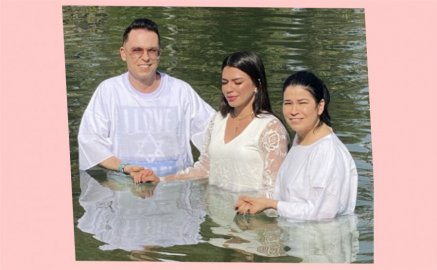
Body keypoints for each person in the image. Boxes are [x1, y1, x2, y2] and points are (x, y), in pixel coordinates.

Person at [77, 18, 215, 183]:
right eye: (137, 50)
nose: (145, 57)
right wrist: (126, 168)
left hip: (174, 187)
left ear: (159, 54)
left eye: (152, 50)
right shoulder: (108, 91)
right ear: (123, 53)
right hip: (126, 186)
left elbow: (214, 133)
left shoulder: (181, 91)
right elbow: (90, 142)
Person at [160, 51, 289, 198]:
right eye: (224, 82)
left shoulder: (271, 128)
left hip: (250, 218)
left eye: (237, 82)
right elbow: (204, 170)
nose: (229, 89)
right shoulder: (217, 120)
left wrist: (251, 213)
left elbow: (274, 188)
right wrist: (160, 180)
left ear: (257, 85)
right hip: (216, 215)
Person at [235, 70, 358, 221]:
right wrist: (260, 203)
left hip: (323, 241)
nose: (293, 111)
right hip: (295, 237)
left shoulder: (327, 151)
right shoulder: (300, 139)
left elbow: (322, 213)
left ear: (320, 106)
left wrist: (271, 204)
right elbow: (288, 198)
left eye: (302, 103)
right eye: (288, 103)